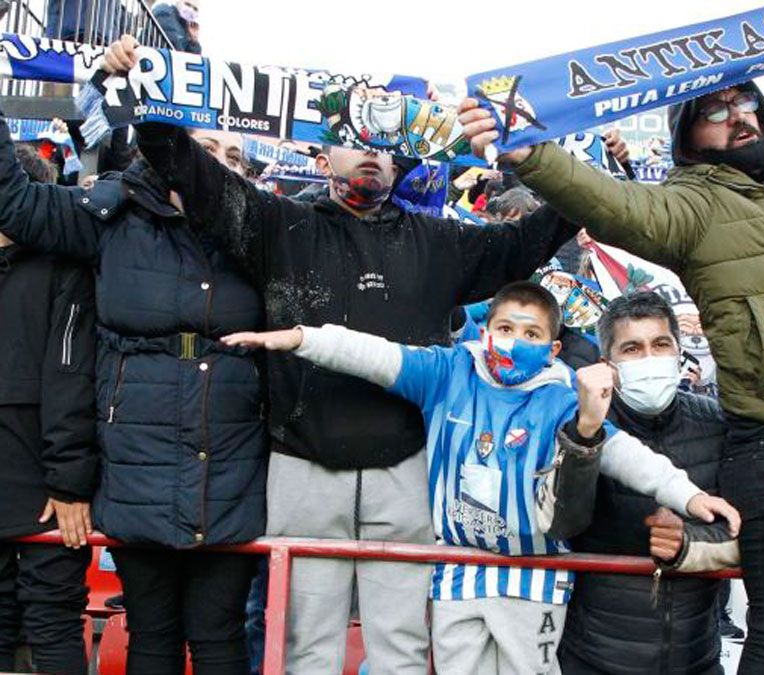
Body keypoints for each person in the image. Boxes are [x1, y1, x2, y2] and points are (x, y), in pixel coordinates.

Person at [460, 31, 764, 673]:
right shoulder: (689, 206)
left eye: (746, 102)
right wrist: (532, 156)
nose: (739, 117)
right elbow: (609, 205)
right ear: (687, 135)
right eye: (716, 112)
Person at [103, 32, 580, 673]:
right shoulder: (277, 225)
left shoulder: (440, 243)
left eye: (387, 148)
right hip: (302, 468)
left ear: (403, 161)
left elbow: (537, 236)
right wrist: (146, 88)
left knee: (402, 650)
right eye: (358, 140)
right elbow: (184, 166)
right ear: (324, 152)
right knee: (304, 649)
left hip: (406, 472)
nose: (372, 157)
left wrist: (542, 157)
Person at [222, 281, 740, 675]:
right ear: (486, 329)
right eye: (507, 329)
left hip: (533, 578)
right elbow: (372, 354)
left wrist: (690, 497)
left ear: (553, 348)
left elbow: (627, 455)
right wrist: (300, 338)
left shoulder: (561, 399)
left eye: (532, 334)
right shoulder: (448, 372)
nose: (515, 342)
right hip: (458, 572)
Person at [0, 108, 266, 674]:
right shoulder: (111, 214)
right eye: (207, 149)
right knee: (151, 633)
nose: (219, 165)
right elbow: (16, 204)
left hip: (231, 462)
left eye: (234, 157)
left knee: (220, 635)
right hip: (135, 461)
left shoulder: (266, 231)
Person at [557, 291, 738, 675]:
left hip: (697, 659)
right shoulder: (580, 425)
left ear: (678, 351)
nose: (650, 358)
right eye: (633, 349)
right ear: (608, 364)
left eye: (660, 344)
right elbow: (563, 522)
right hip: (595, 658)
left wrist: (688, 542)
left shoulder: (717, 423)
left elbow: (747, 525)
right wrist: (585, 435)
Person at [0, 146, 97, 675]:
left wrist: (66, 482)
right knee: (54, 621)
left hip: (50, 489)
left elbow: (66, 380)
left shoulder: (66, 268)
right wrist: (68, 482)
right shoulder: (70, 269)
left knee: (49, 621)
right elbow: (70, 380)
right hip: (51, 491)